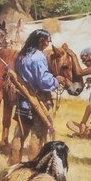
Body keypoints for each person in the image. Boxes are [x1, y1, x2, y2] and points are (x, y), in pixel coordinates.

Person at [8, 29, 61, 162]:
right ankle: (32, 168)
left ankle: (14, 165)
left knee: (20, 134)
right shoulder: (38, 57)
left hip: (22, 100)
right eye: (48, 41)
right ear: (41, 41)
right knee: (37, 135)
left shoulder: (22, 55)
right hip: (37, 101)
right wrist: (56, 81)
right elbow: (43, 81)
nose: (48, 44)